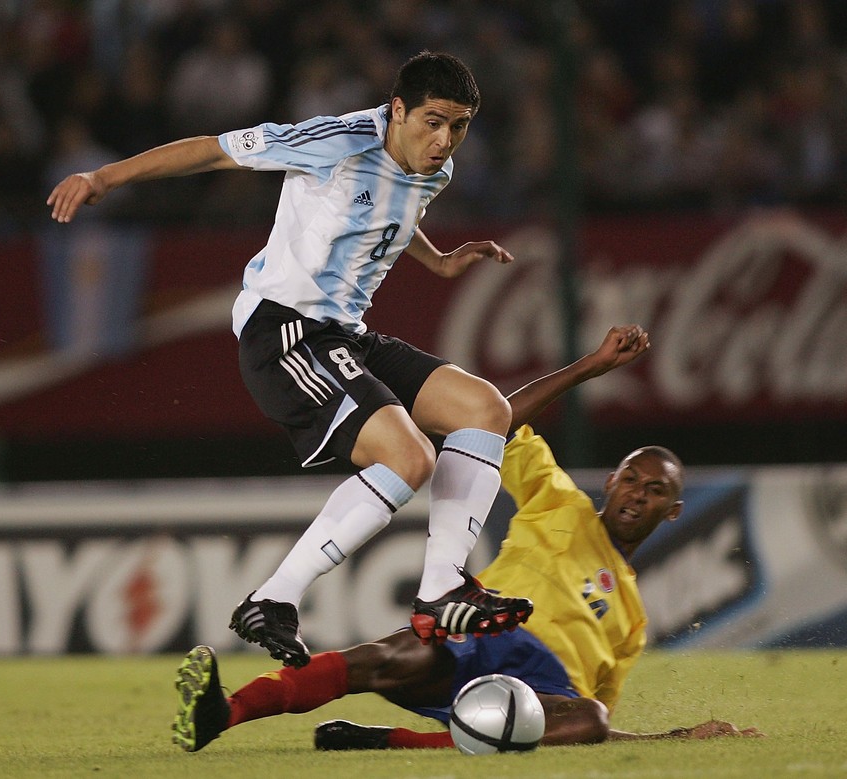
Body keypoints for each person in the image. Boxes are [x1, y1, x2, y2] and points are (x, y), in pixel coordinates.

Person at [47, 51, 532, 669]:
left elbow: (388, 215)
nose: (444, 140)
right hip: (285, 330)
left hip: (346, 335)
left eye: (458, 125)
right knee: (409, 457)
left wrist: (438, 261)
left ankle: (442, 588)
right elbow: (215, 149)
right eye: (433, 122)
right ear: (398, 110)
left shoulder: (436, 170)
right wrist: (103, 179)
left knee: (486, 408)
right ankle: (274, 598)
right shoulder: (332, 141)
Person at [170, 325, 762, 753]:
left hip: (541, 687)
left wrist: (671, 738)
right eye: (630, 478)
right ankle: (221, 714)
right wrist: (588, 368)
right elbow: (494, 417)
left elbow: (589, 727)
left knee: (592, 719)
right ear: (610, 481)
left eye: (654, 491)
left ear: (674, 511)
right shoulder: (557, 498)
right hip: (479, 641)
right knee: (386, 657)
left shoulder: (631, 619)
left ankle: (394, 743)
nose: (636, 493)